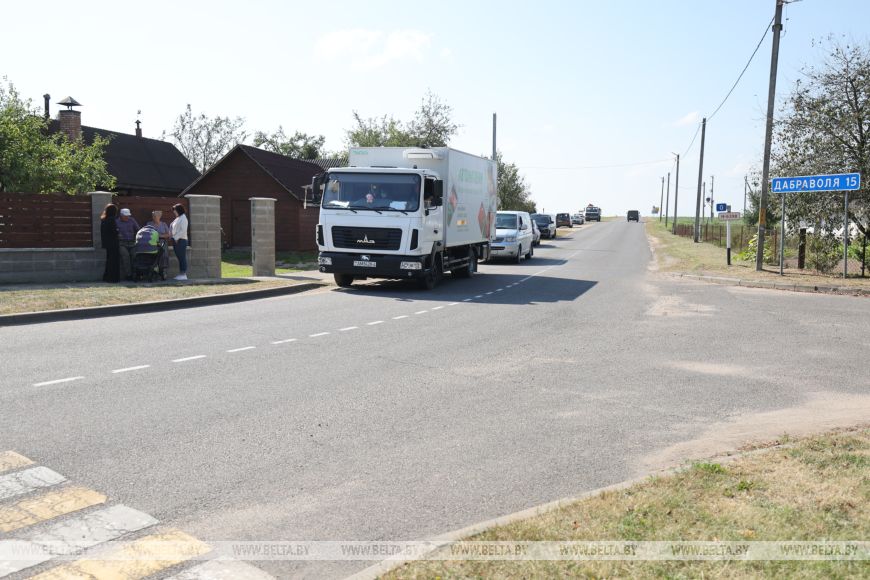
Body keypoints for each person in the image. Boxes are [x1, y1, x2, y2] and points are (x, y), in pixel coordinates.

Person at [116, 208, 140, 279]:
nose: (127, 217)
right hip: (122, 243)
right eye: (125, 216)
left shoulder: (132, 220)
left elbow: (138, 230)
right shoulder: (116, 222)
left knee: (135, 256)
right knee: (125, 256)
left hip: (132, 242)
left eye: (128, 216)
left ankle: (136, 273)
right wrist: (117, 235)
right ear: (121, 215)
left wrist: (137, 237)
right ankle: (129, 275)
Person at [146, 210, 171, 280]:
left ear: (159, 216)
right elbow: (147, 233)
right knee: (153, 256)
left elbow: (168, 234)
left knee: (164, 255)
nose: (153, 217)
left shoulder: (164, 224)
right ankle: (154, 272)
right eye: (153, 216)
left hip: (162, 242)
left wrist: (159, 236)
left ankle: (163, 272)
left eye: (155, 216)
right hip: (152, 242)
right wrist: (158, 236)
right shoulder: (149, 224)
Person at [100, 204, 121, 283]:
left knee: (109, 260)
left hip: (107, 243)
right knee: (114, 261)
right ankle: (113, 278)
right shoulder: (112, 220)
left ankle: (107, 277)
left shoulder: (104, 220)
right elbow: (114, 231)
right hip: (113, 243)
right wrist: (118, 231)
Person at [170, 204, 189, 281]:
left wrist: (176, 238)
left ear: (179, 210)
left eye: (175, 211)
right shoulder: (178, 218)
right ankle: (181, 274)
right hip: (176, 240)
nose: (174, 212)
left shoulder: (183, 218)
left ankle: (183, 274)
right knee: (180, 258)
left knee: (182, 258)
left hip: (181, 240)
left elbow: (183, 230)